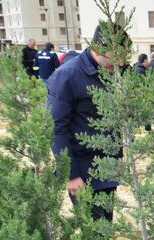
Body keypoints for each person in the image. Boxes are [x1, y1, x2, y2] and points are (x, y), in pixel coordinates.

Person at [49, 22, 130, 222]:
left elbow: (110, 118)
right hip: (82, 169)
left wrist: (118, 153)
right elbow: (55, 129)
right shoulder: (67, 76)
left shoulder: (108, 73)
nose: (120, 63)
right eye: (117, 55)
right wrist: (71, 174)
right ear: (98, 48)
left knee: (105, 227)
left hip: (107, 168)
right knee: (94, 234)